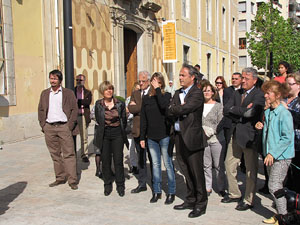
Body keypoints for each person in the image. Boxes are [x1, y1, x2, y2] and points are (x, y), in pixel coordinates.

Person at [222, 67, 265, 211]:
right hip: (235, 134)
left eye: (246, 79)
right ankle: (234, 193)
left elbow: (252, 113)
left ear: (254, 79)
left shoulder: (259, 95)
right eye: (243, 78)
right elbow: (226, 110)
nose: (243, 81)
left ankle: (249, 199)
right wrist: (241, 111)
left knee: (250, 170)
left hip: (249, 137)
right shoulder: (236, 92)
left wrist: (236, 110)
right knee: (229, 165)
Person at [168, 63, 208, 218]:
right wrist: (176, 108)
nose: (180, 78)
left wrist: (176, 108)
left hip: (192, 139)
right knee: (185, 170)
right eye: (179, 75)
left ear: (192, 77)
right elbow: (169, 109)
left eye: (183, 75)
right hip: (179, 137)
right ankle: (190, 199)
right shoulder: (178, 92)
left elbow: (185, 108)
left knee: (197, 173)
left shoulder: (197, 93)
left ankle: (201, 203)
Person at [255, 80, 294, 224]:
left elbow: (287, 137)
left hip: (281, 156)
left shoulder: (284, 113)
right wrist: (261, 125)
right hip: (269, 155)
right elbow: (271, 132)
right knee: (275, 186)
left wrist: (273, 153)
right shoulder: (268, 111)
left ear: (277, 95)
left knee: (274, 186)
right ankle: (280, 214)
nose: (265, 96)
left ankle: (284, 217)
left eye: (268, 93)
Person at [38, 69, 78, 190]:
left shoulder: (68, 93)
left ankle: (72, 180)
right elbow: (40, 109)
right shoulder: (45, 93)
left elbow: (74, 110)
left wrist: (69, 126)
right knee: (55, 154)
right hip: (49, 127)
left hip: (64, 127)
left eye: (55, 78)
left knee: (69, 154)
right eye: (51, 78)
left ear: (60, 80)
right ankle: (60, 177)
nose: (52, 81)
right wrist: (43, 125)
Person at [140, 72, 175, 204]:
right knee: (155, 165)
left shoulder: (166, 96)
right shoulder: (146, 98)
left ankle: (171, 191)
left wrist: (159, 90)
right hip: (151, 136)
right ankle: (157, 191)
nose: (155, 84)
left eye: (158, 82)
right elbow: (143, 118)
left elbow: (163, 106)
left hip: (164, 135)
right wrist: (143, 137)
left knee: (168, 164)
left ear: (162, 84)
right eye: (153, 81)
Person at [93, 81, 129, 197]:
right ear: (102, 91)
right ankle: (107, 184)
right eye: (107, 89)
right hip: (104, 134)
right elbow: (99, 119)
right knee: (106, 160)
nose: (109, 91)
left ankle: (120, 185)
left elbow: (123, 119)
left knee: (118, 160)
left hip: (117, 132)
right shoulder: (99, 104)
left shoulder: (119, 103)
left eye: (111, 89)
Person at [128, 71, 152, 194]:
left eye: (143, 81)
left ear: (148, 81)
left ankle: (155, 183)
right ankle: (142, 183)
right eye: (139, 81)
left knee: (153, 159)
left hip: (151, 132)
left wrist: (138, 106)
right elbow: (130, 108)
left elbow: (140, 108)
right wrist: (137, 107)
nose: (141, 83)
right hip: (138, 131)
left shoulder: (153, 93)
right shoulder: (135, 93)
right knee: (141, 159)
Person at [201, 83, 226, 197]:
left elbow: (220, 121)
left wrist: (210, 131)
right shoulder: (200, 105)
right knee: (206, 165)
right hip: (203, 139)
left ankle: (221, 187)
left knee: (218, 165)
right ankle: (207, 187)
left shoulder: (218, 106)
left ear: (212, 93)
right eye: (204, 90)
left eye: (209, 90)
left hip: (216, 139)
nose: (206, 92)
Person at [283, 73, 300, 193]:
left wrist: (287, 110)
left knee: (296, 175)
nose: (288, 86)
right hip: (284, 143)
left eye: (291, 84)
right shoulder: (284, 99)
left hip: (297, 142)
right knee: (286, 174)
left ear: (298, 85)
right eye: (286, 83)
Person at [74, 74, 92, 163]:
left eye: (80, 80)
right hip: (74, 116)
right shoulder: (72, 91)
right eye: (77, 80)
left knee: (84, 136)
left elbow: (87, 102)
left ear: (84, 81)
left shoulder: (88, 92)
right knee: (72, 136)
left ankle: (84, 154)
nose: (78, 82)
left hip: (83, 116)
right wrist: (80, 102)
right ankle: (72, 153)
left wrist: (78, 101)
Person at [125, 82, 140, 174]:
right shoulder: (128, 99)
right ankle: (133, 165)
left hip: (139, 126)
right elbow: (127, 112)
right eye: (137, 89)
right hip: (130, 126)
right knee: (131, 147)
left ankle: (139, 164)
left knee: (139, 147)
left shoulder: (143, 98)